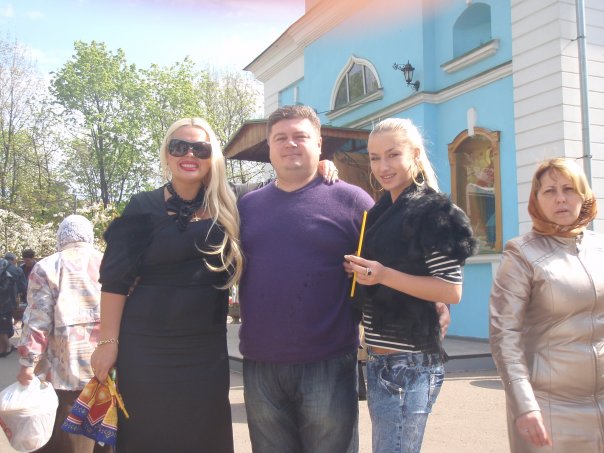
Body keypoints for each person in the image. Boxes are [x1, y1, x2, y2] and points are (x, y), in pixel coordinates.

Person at [89, 116, 338, 452]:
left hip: (205, 349)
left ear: (213, 156)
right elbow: (115, 280)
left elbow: (286, 186)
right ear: (167, 154)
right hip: (145, 346)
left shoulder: (235, 201)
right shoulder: (141, 206)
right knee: (147, 435)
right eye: (179, 146)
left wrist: (317, 167)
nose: (189, 154)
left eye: (200, 148)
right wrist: (107, 342)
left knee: (203, 435)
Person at [238, 105, 375, 453]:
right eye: (280, 138)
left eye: (301, 136)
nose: (290, 144)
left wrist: (435, 300)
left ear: (319, 144)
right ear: (269, 147)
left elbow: (390, 260)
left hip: (328, 361)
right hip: (261, 363)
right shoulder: (246, 207)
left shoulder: (352, 201)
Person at [344, 118, 476, 453]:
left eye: (393, 155)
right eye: (375, 158)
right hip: (381, 359)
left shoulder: (433, 211)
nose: (382, 167)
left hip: (409, 363)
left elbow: (451, 290)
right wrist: (363, 272)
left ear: (415, 154)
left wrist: (383, 275)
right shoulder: (384, 210)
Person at [489, 158, 602, 452]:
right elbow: (504, 336)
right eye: (550, 191)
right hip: (548, 408)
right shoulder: (521, 254)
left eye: (569, 189)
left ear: (584, 195)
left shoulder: (600, 248)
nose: (560, 198)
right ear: (536, 200)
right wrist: (524, 405)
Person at [16, 215, 110, 453]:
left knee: (66, 433)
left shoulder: (47, 267)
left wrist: (28, 363)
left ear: (61, 237)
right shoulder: (108, 263)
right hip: (106, 365)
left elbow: (37, 320)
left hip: (64, 369)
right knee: (104, 431)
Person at [0, 253, 26, 357]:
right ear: (14, 260)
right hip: (8, 301)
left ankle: (3, 348)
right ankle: (8, 346)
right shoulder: (16, 270)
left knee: (3, 325)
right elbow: (23, 287)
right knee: (5, 325)